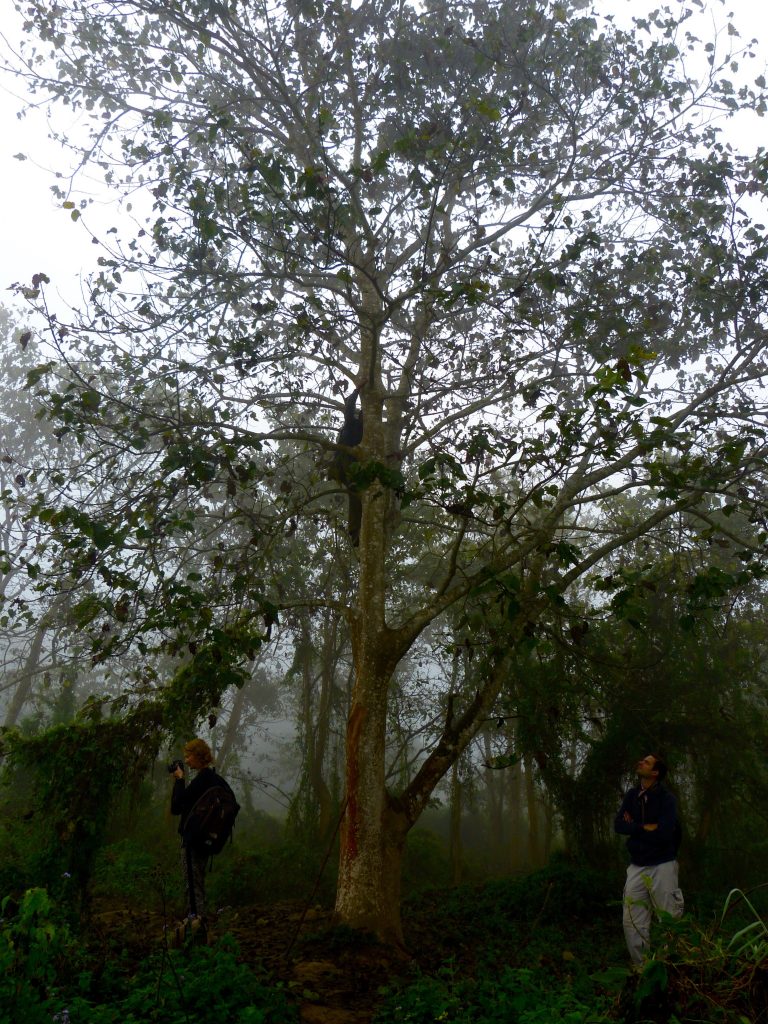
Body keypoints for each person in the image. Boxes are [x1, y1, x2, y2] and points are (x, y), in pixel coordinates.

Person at [614, 753, 684, 966]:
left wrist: (634, 828)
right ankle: (642, 969)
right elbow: (619, 825)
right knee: (632, 920)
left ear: (655, 772)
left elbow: (664, 833)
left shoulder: (667, 799)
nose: (640, 762)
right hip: (637, 865)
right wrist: (643, 827)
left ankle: (668, 968)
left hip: (663, 864)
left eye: (646, 762)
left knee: (669, 918)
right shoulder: (632, 796)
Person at [170, 737, 222, 928]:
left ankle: (196, 925)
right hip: (205, 840)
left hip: (193, 841)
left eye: (189, 756)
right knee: (197, 882)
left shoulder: (202, 780)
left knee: (192, 885)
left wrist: (180, 780)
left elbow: (177, 806)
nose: (187, 760)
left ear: (198, 756)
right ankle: (197, 921)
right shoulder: (214, 779)